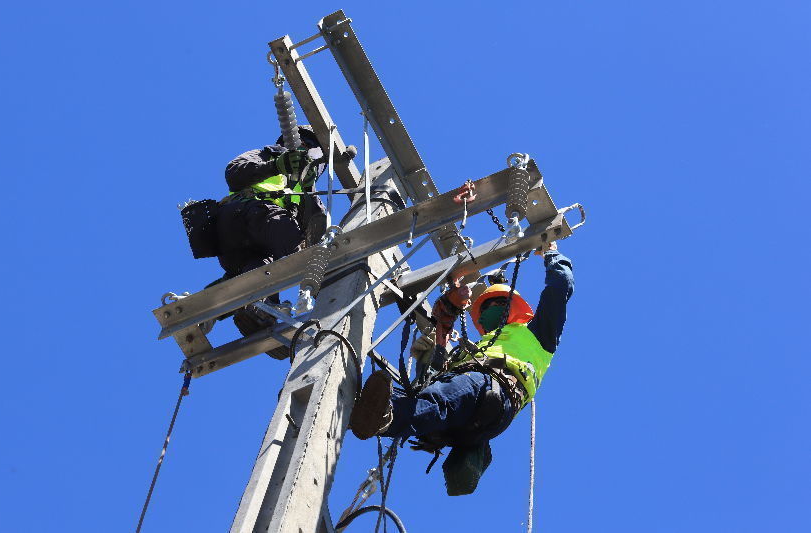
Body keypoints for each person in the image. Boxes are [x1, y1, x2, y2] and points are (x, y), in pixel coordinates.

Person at [348, 242, 574, 495]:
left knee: (438, 398)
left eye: (496, 303)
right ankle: (355, 411)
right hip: (467, 420)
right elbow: (435, 373)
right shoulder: (474, 350)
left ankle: (385, 419)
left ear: (514, 306)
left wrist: (551, 253)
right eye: (484, 307)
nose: (488, 310)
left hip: (494, 390)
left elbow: (560, 286)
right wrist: (437, 337)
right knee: (410, 397)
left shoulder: (538, 333)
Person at [214, 125, 328, 358]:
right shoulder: (267, 155)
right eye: (303, 145)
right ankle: (319, 286)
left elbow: (315, 223)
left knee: (263, 268)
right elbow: (234, 174)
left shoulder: (306, 185)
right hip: (245, 214)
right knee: (299, 249)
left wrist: (309, 190)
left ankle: (259, 311)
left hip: (246, 246)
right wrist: (276, 165)